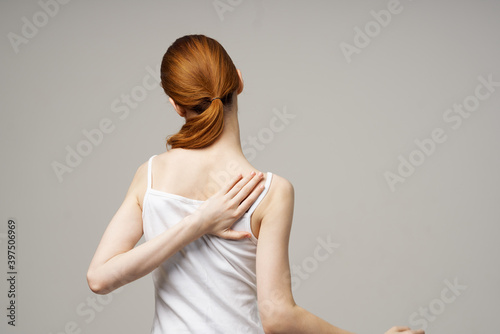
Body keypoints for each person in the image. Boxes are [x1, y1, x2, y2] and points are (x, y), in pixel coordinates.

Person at [86, 34, 424, 334]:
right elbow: (277, 316)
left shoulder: (150, 176)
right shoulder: (270, 192)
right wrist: (200, 222)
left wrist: (195, 224)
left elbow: (99, 278)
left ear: (176, 105)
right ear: (239, 81)